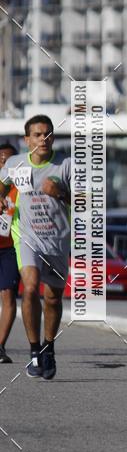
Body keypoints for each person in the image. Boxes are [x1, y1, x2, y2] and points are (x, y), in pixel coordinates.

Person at [0, 116, 71, 380]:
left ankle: (48, 347)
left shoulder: (66, 165)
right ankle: (34, 352)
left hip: (58, 240)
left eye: (48, 134)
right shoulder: (16, 163)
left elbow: (88, 201)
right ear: (27, 139)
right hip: (27, 237)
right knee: (29, 288)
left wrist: (60, 193)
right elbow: (2, 184)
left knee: (52, 298)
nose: (43, 139)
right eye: (38, 135)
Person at [0, 142, 19, 363]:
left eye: (11, 162)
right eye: (2, 161)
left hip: (10, 248)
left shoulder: (21, 188)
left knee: (8, 294)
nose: (6, 165)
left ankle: (0, 346)